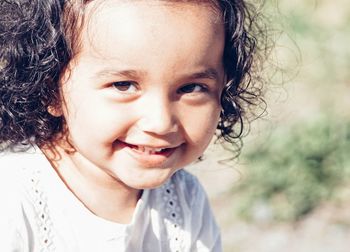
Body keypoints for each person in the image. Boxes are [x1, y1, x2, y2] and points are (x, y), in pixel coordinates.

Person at [0, 0, 267, 251]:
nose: (161, 122)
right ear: (51, 90)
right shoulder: (13, 198)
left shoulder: (185, 200)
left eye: (191, 88)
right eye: (123, 85)